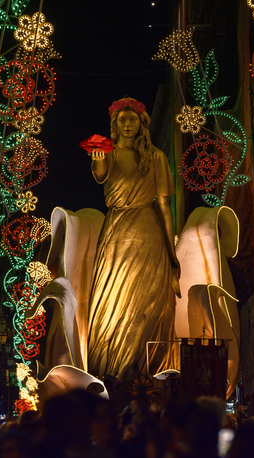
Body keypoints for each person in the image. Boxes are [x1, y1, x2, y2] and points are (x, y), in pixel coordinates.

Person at [86, 97, 179, 380]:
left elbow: (164, 206)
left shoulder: (157, 157)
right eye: (122, 120)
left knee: (148, 299)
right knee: (112, 295)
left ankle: (147, 367)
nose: (127, 125)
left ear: (142, 123)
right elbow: (100, 176)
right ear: (114, 124)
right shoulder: (108, 153)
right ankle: (111, 367)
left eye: (132, 120)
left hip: (149, 231)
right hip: (117, 230)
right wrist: (98, 161)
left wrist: (171, 251)